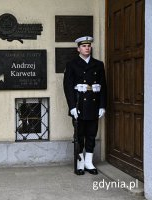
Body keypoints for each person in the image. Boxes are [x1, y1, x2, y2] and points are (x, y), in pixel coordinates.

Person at [63, 36, 107, 175]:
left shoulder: (98, 64)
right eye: (83, 46)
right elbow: (68, 87)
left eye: (88, 45)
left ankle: (89, 162)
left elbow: (103, 86)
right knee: (79, 135)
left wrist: (102, 106)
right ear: (78, 49)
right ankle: (80, 162)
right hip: (79, 105)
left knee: (91, 135)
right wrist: (72, 107)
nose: (87, 48)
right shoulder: (72, 64)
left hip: (93, 105)